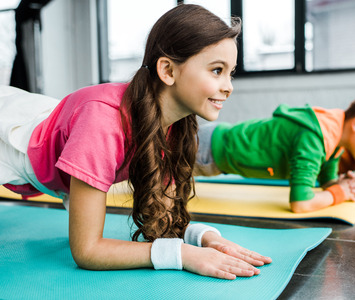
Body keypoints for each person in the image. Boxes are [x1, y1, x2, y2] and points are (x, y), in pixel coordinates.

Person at [0, 4, 271, 280]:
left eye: (231, 73)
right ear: (167, 70)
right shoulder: (102, 124)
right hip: (9, 132)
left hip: (50, 123)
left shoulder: (172, 125)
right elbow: (87, 250)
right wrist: (183, 255)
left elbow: (162, 218)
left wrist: (206, 239)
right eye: (216, 70)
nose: (229, 86)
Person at [194, 92, 355, 213]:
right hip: (204, 151)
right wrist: (341, 193)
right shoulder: (315, 138)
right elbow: (301, 203)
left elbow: (327, 181)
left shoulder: (334, 136)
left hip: (214, 151)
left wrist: (345, 185)